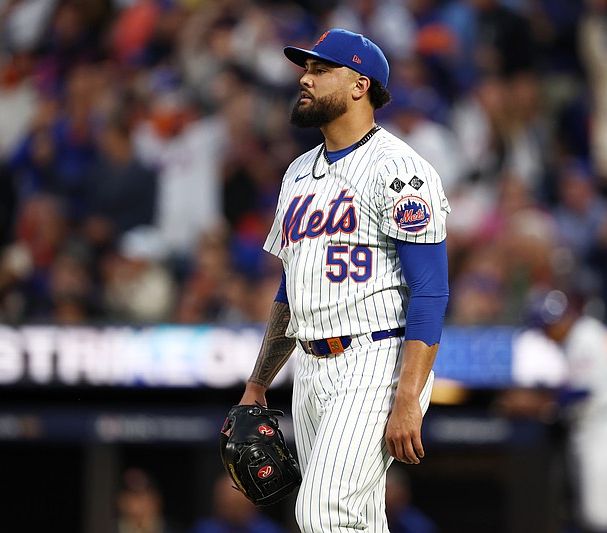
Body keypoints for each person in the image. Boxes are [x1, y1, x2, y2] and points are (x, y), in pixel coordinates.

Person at [232, 29, 451, 533]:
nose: (304, 79)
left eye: (320, 70)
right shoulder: (296, 173)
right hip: (309, 370)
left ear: (359, 85)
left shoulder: (399, 170)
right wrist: (258, 382)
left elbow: (431, 290)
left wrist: (407, 396)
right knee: (358, 520)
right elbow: (291, 290)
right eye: (305, 70)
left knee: (322, 512)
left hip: (376, 361)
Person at [523, 288, 607, 533]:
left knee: (601, 515)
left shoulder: (586, 334)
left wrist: (535, 403)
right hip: (590, 430)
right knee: (585, 515)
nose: (546, 335)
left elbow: (581, 392)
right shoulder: (574, 339)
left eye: (546, 327)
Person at [190, 474, 285, 533]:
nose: (226, 511)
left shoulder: (269, 531)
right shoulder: (204, 529)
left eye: (232, 505)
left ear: (250, 504)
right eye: (223, 505)